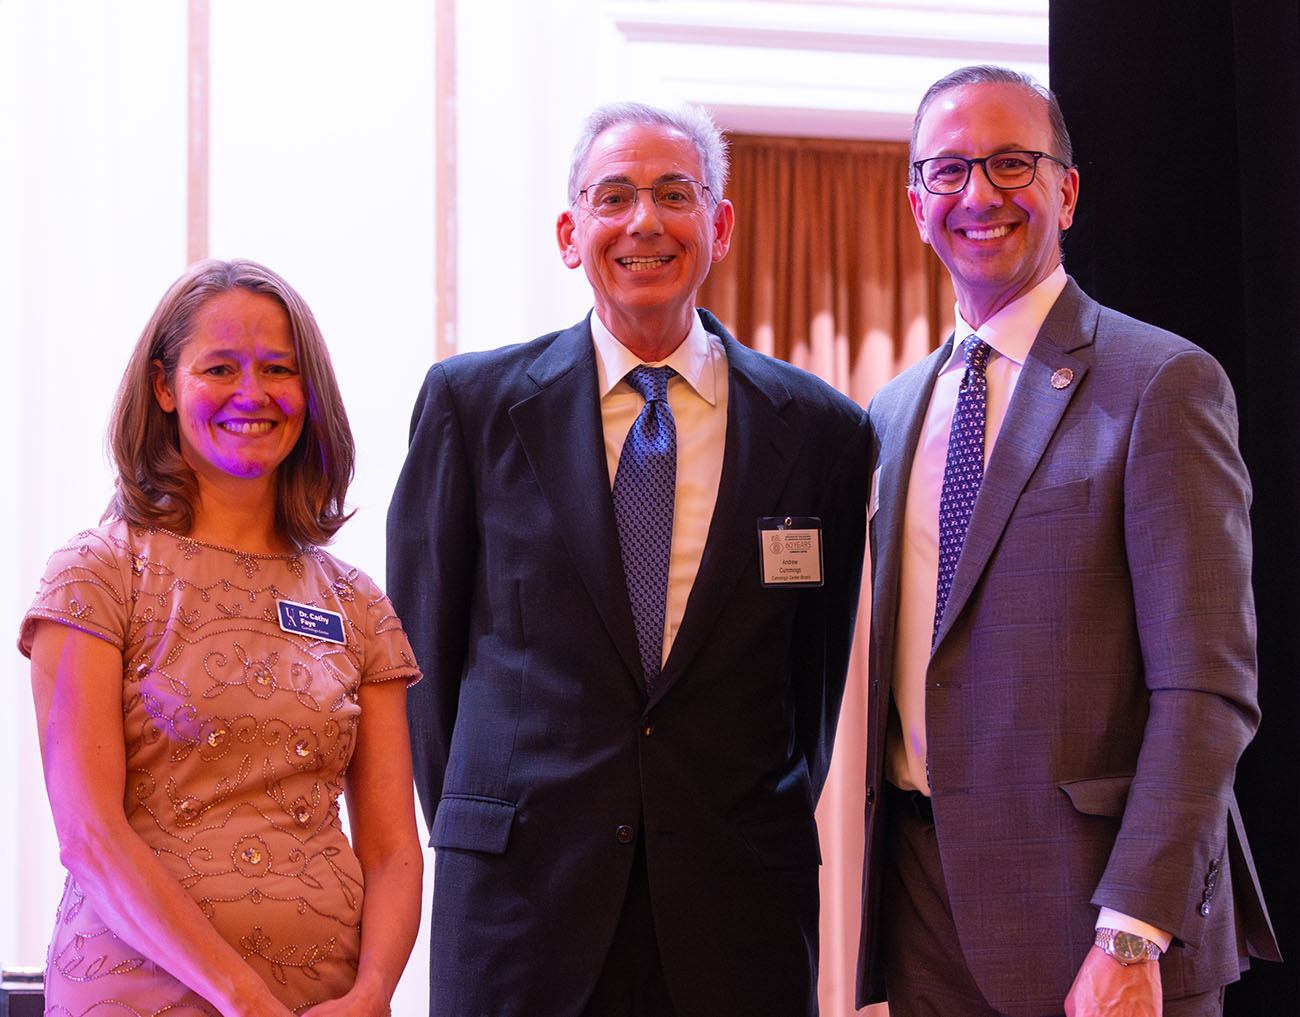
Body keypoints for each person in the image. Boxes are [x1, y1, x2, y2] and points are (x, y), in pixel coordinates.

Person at [387, 101, 870, 1017]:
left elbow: (811, 679)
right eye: (614, 197)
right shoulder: (472, 408)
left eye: (673, 194)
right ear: (572, 234)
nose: (643, 221)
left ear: (718, 226)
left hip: (738, 915)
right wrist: (489, 826)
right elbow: (422, 668)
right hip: (522, 911)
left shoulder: (820, 433)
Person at [854, 65, 1280, 1017]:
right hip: (924, 908)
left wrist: (1133, 928)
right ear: (916, 200)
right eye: (950, 169)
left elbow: (1206, 688)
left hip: (1100, 925)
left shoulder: (1163, 382)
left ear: (1067, 191)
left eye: (1012, 163)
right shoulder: (889, 413)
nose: (980, 194)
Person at [18, 259, 424, 1017]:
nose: (253, 393)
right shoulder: (98, 573)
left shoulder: (358, 602)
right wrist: (242, 996)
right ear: (166, 388)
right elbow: (89, 834)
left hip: (326, 1002)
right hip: (141, 995)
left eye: (279, 368)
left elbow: (394, 847)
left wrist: (373, 993)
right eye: (220, 368)